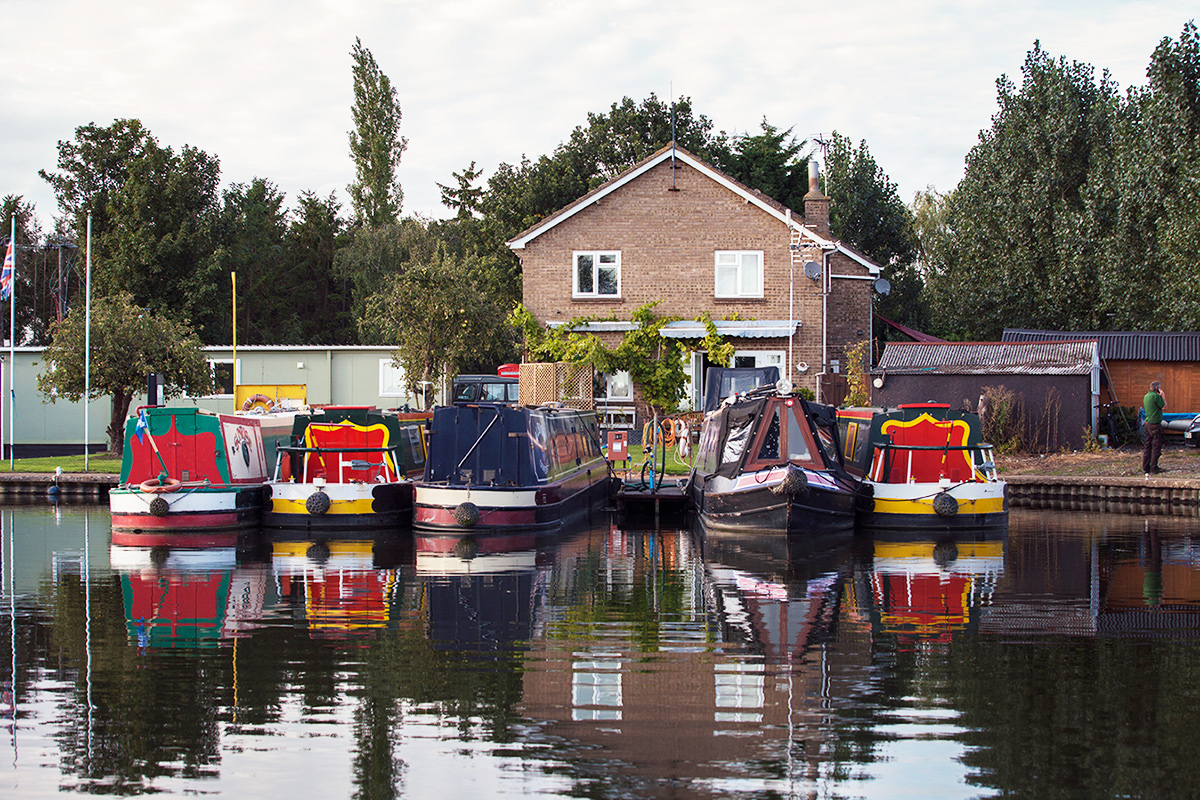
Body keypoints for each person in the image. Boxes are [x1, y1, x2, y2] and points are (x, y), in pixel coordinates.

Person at [1142, 381, 1166, 474]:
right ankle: (1154, 468)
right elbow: (1164, 407)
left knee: (1148, 446)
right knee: (1156, 446)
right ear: (1157, 388)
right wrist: (1162, 395)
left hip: (1147, 424)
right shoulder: (1156, 396)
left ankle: (1145, 467)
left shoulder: (1146, 396)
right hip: (1155, 424)